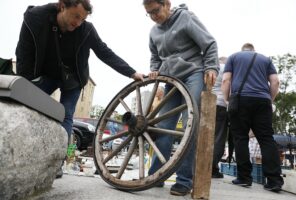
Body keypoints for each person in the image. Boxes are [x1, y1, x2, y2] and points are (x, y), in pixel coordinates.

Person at [15, 0, 144, 140]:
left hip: (74, 78)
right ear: (62, 6)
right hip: (46, 74)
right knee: (27, 105)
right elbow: (23, 52)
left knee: (66, 114)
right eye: (76, 16)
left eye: (83, 19)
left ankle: (61, 155)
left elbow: (105, 53)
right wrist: (25, 85)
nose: (78, 23)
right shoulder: (35, 18)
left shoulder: (86, 30)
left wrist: (131, 72)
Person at [143, 0, 218, 196]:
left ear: (167, 4)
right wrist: (154, 70)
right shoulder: (153, 32)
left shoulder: (186, 18)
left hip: (193, 72)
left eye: (156, 11)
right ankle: (157, 175)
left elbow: (209, 43)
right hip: (171, 79)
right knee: (164, 126)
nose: (154, 16)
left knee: (189, 125)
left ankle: (184, 180)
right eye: (149, 13)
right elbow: (155, 57)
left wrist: (211, 67)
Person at [222, 43, 284, 192]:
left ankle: (244, 178)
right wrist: (269, 100)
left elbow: (226, 80)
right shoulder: (265, 59)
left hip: (240, 100)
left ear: (243, 49)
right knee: (266, 139)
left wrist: (226, 100)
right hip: (262, 101)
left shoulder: (233, 57)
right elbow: (275, 81)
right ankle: (274, 180)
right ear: (253, 50)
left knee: (240, 138)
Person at [211, 57, 228, 178]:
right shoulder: (226, 69)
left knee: (205, 135)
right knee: (219, 138)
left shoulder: (212, 69)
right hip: (221, 104)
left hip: (207, 103)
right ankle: (212, 168)